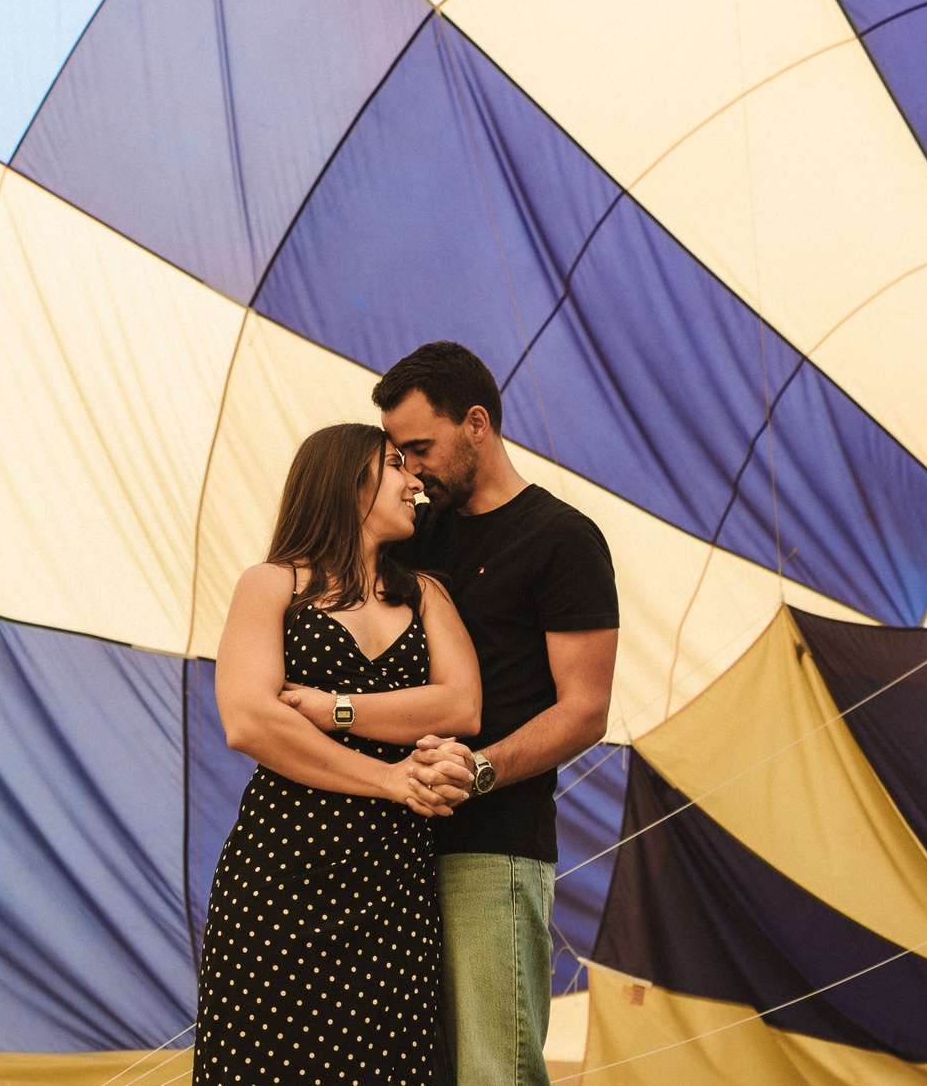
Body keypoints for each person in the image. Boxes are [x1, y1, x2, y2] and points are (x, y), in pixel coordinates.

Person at [197, 422, 483, 1085]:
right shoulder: (272, 585)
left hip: (395, 881)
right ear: (346, 481)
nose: (415, 480)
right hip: (284, 872)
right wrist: (388, 777)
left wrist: (334, 707)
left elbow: (461, 704)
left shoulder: (426, 594)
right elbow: (249, 719)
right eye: (394, 465)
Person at [379, 342, 620, 1086]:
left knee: (495, 1069)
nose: (410, 469)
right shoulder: (409, 537)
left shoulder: (563, 538)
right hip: (392, 845)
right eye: (398, 454)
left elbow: (585, 712)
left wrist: (479, 771)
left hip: (495, 847)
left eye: (420, 447)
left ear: (476, 423)